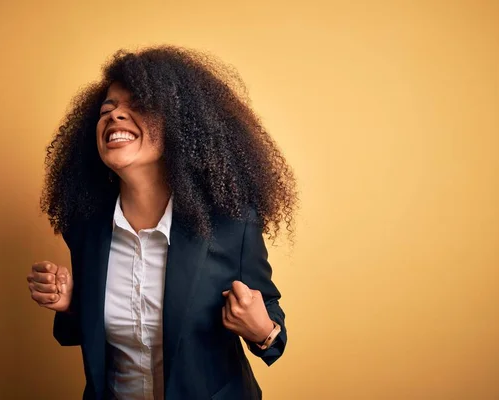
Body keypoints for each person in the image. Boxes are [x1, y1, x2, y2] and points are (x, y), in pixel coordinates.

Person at [27, 45, 297, 400]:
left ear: (180, 125)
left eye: (137, 106)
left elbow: (272, 333)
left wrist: (261, 329)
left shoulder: (231, 224)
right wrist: (70, 303)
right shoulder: (85, 227)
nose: (115, 116)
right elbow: (77, 334)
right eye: (107, 109)